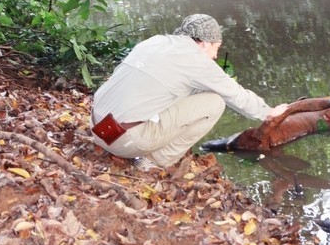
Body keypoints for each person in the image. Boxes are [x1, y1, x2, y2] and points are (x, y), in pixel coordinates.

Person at [90, 14, 288, 171]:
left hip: (97, 127)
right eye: (216, 48)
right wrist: (269, 112)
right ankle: (153, 162)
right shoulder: (197, 60)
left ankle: (145, 148)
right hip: (124, 141)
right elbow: (236, 95)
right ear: (204, 42)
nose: (216, 55)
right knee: (215, 103)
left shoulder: (155, 41)